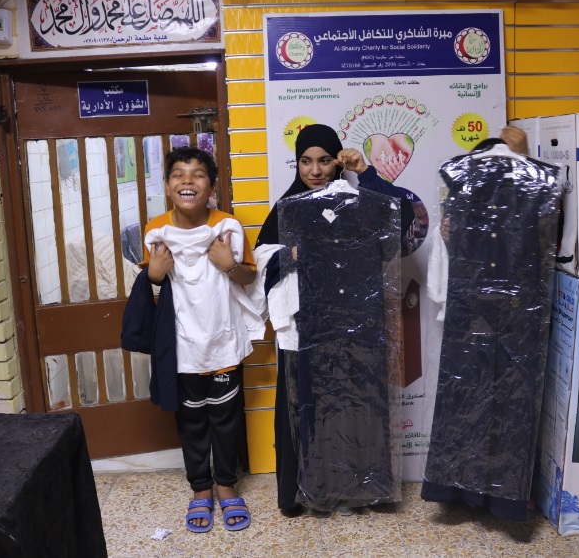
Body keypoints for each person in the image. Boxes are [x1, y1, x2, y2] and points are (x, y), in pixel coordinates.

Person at [256, 123, 414, 517]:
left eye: (324, 160)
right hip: (305, 329)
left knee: (358, 406)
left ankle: (365, 489)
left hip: (357, 325)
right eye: (306, 161)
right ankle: (308, 491)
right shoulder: (289, 208)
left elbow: (403, 215)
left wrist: (366, 172)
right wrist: (292, 254)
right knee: (306, 409)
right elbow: (262, 258)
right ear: (296, 164)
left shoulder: (361, 204)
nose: (315, 170)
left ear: (337, 162)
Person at [142, 146, 256, 533]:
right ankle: (200, 489)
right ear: (167, 186)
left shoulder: (228, 227)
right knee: (191, 421)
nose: (187, 180)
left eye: (198, 174)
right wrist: (153, 276)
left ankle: (226, 486)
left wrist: (230, 265)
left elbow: (249, 278)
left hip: (223, 343)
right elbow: (151, 295)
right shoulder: (156, 230)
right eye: (178, 174)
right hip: (182, 346)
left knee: (225, 420)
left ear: (212, 186)